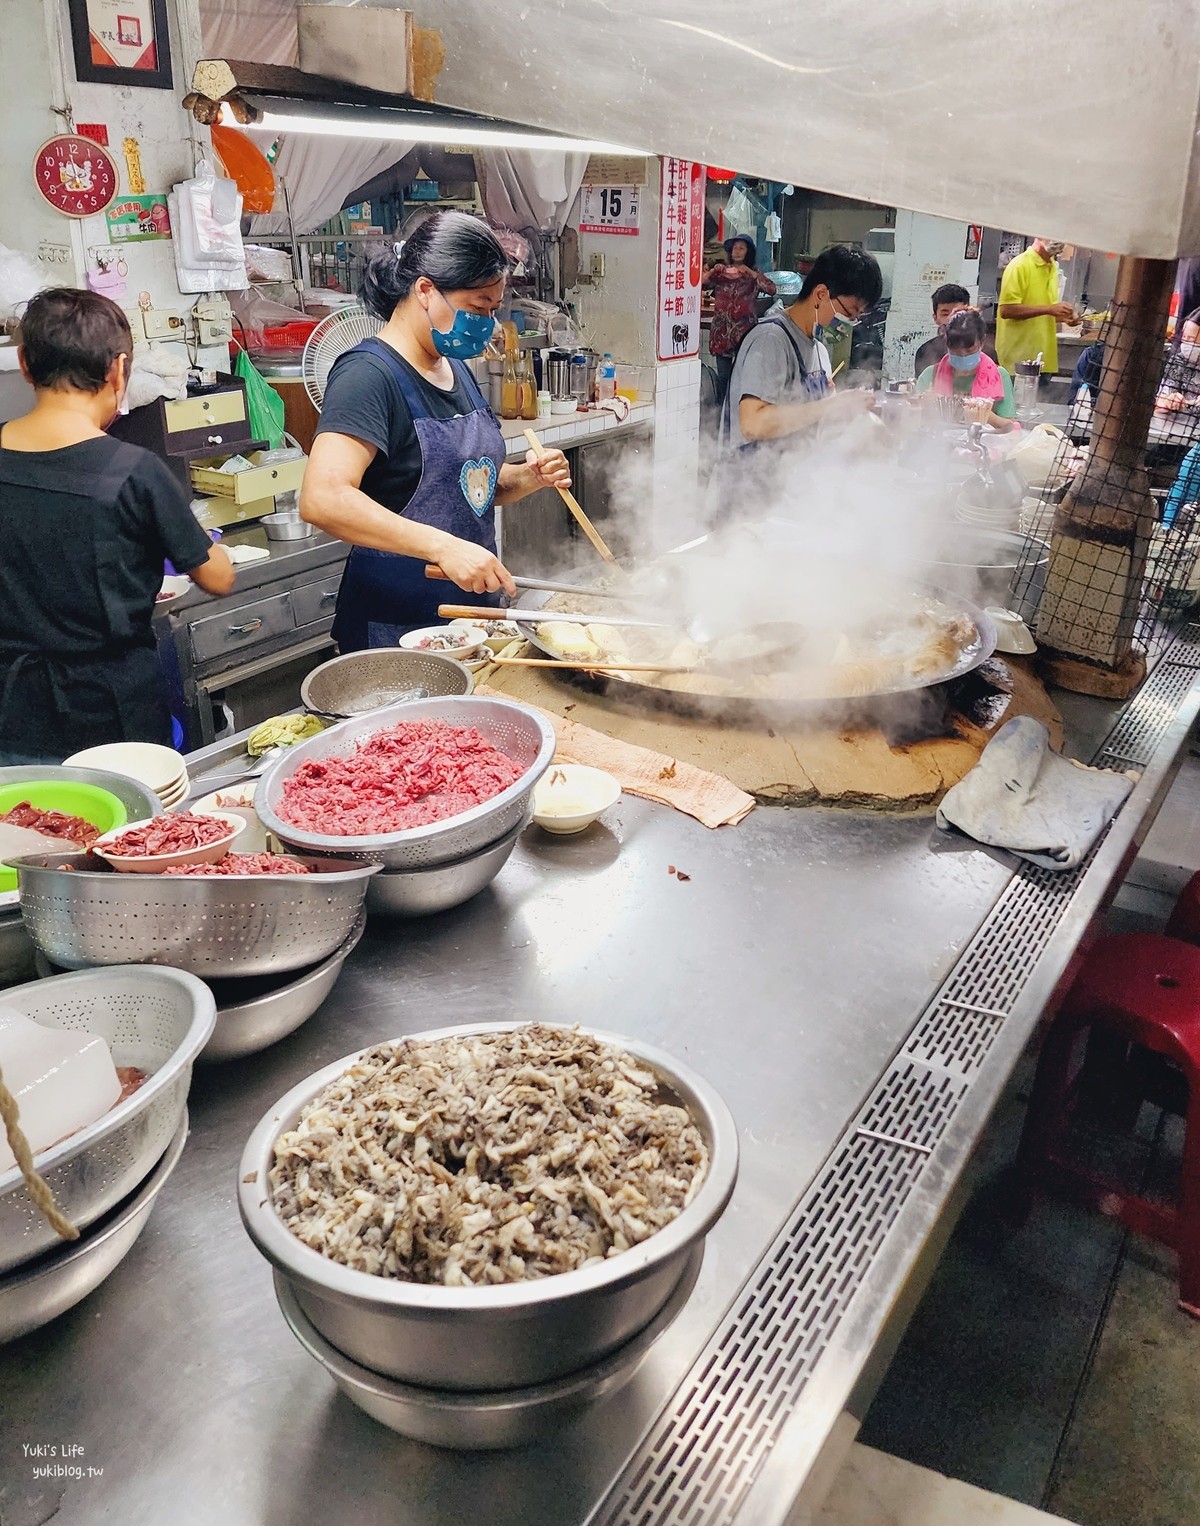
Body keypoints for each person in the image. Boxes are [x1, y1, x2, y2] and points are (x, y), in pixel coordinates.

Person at [300, 212, 571, 649]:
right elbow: (323, 498)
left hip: (469, 621)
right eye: (477, 308)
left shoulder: (455, 369)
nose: (487, 322)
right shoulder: (367, 375)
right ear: (425, 290)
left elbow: (465, 484)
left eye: (492, 309)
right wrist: (444, 547)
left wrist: (526, 477)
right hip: (395, 631)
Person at [0, 288, 233, 765]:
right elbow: (218, 577)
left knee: (32, 829)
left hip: (12, 706)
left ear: (25, 363)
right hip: (112, 707)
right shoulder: (134, 471)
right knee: (129, 834)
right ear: (118, 370)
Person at [721, 244, 883, 458]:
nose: (852, 322)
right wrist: (832, 405)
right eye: (851, 312)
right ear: (821, 294)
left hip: (792, 481)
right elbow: (753, 424)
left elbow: (813, 418)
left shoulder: (819, 350)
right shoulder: (770, 340)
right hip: (750, 484)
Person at [915, 308, 1018, 431]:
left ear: (981, 343)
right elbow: (912, 423)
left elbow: (1011, 428)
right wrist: (925, 407)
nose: (963, 356)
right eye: (955, 352)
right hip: (939, 445)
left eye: (969, 351)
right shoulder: (930, 375)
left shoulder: (999, 376)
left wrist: (983, 414)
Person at [703, 236, 776, 408]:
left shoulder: (753, 274)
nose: (737, 251)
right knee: (723, 378)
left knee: (744, 376)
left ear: (748, 252)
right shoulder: (721, 273)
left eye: (741, 248)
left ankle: (740, 413)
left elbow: (771, 289)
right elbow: (702, 283)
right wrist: (713, 271)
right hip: (722, 334)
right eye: (735, 248)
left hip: (746, 334)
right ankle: (721, 417)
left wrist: (751, 273)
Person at [995, 239, 1077, 377]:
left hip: (1044, 361)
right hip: (1018, 362)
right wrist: (1049, 309)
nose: (1057, 240)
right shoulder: (1019, 265)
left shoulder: (1052, 267)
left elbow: (1043, 310)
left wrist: (1063, 317)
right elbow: (1006, 310)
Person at [912, 283, 972, 376]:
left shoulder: (983, 351)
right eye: (945, 314)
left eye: (958, 313)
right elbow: (922, 387)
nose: (951, 319)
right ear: (935, 318)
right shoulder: (924, 352)